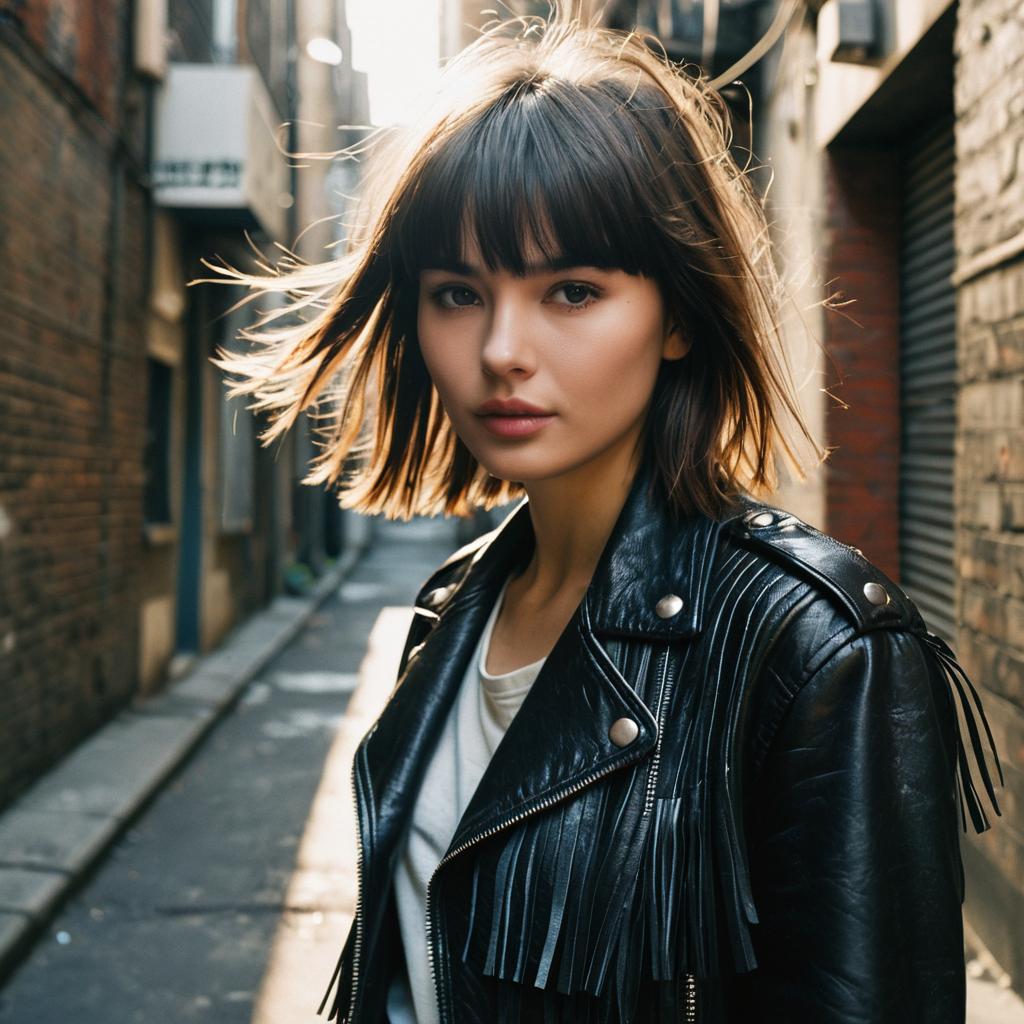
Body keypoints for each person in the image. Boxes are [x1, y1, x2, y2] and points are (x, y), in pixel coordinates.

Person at [210, 10, 1002, 1023]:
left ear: (676, 314)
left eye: (571, 291)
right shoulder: (452, 611)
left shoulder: (816, 651)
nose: (501, 348)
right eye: (458, 292)